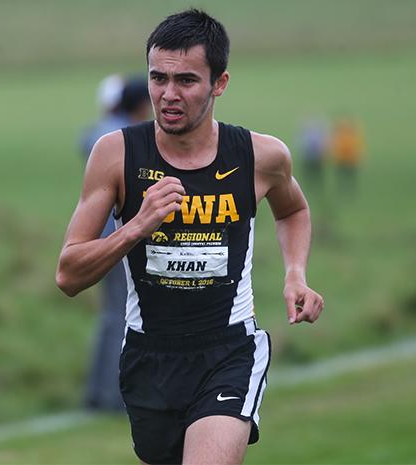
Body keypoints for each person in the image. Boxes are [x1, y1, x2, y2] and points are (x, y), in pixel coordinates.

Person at [56, 9, 324, 465]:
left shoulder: (260, 156)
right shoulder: (115, 155)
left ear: (219, 83)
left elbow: (293, 208)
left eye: (186, 80)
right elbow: (68, 275)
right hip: (149, 356)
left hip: (228, 350)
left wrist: (295, 274)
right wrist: (138, 225)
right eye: (158, 79)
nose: (168, 95)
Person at [80, 76, 152, 412]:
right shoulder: (127, 140)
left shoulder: (100, 132)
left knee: (110, 317)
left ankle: (96, 392)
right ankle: (115, 397)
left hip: (96, 238)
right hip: (118, 241)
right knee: (125, 317)